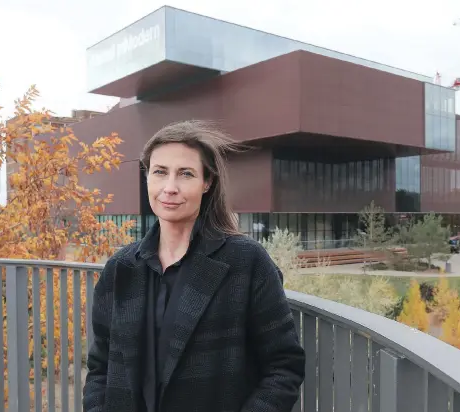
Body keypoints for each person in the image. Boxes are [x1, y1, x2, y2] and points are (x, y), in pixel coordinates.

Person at [83, 121, 305, 412]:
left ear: (207, 182)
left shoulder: (245, 261)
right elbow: (100, 369)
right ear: (147, 177)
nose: (170, 188)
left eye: (185, 174)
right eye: (160, 172)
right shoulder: (120, 269)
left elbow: (284, 366)